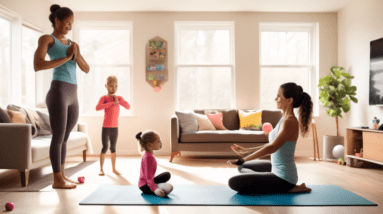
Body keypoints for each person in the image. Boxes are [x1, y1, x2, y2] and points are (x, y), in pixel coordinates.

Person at [33, 4, 90, 189]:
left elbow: (86, 69)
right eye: (67, 23)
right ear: (57, 21)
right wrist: (66, 58)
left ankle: (62, 176)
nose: (70, 27)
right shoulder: (47, 39)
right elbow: (38, 64)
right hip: (58, 91)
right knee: (57, 137)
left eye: (72, 24)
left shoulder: (73, 44)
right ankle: (56, 180)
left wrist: (75, 54)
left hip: (73, 93)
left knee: (65, 137)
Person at [227, 82, 313, 194]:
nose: (275, 99)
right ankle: (271, 182)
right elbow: (272, 143)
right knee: (242, 167)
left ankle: (288, 187)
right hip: (276, 168)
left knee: (233, 182)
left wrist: (242, 159)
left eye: (278, 96)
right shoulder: (284, 118)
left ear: (289, 100)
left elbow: (272, 148)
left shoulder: (290, 122)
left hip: (284, 178)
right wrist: (246, 151)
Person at [96, 76, 130, 176]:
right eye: (111, 86)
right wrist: (111, 103)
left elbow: (128, 106)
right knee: (105, 147)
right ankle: (101, 169)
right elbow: (98, 107)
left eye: (116, 86)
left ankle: (114, 169)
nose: (114, 88)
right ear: (106, 86)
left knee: (113, 148)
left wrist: (118, 101)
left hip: (115, 127)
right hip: (105, 127)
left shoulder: (118, 98)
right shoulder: (104, 98)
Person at [136, 131, 173, 197]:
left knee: (167, 175)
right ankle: (155, 186)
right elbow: (148, 177)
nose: (160, 143)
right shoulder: (148, 157)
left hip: (146, 182)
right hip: (145, 186)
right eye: (158, 141)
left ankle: (155, 185)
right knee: (170, 187)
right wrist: (155, 189)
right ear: (150, 144)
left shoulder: (148, 155)